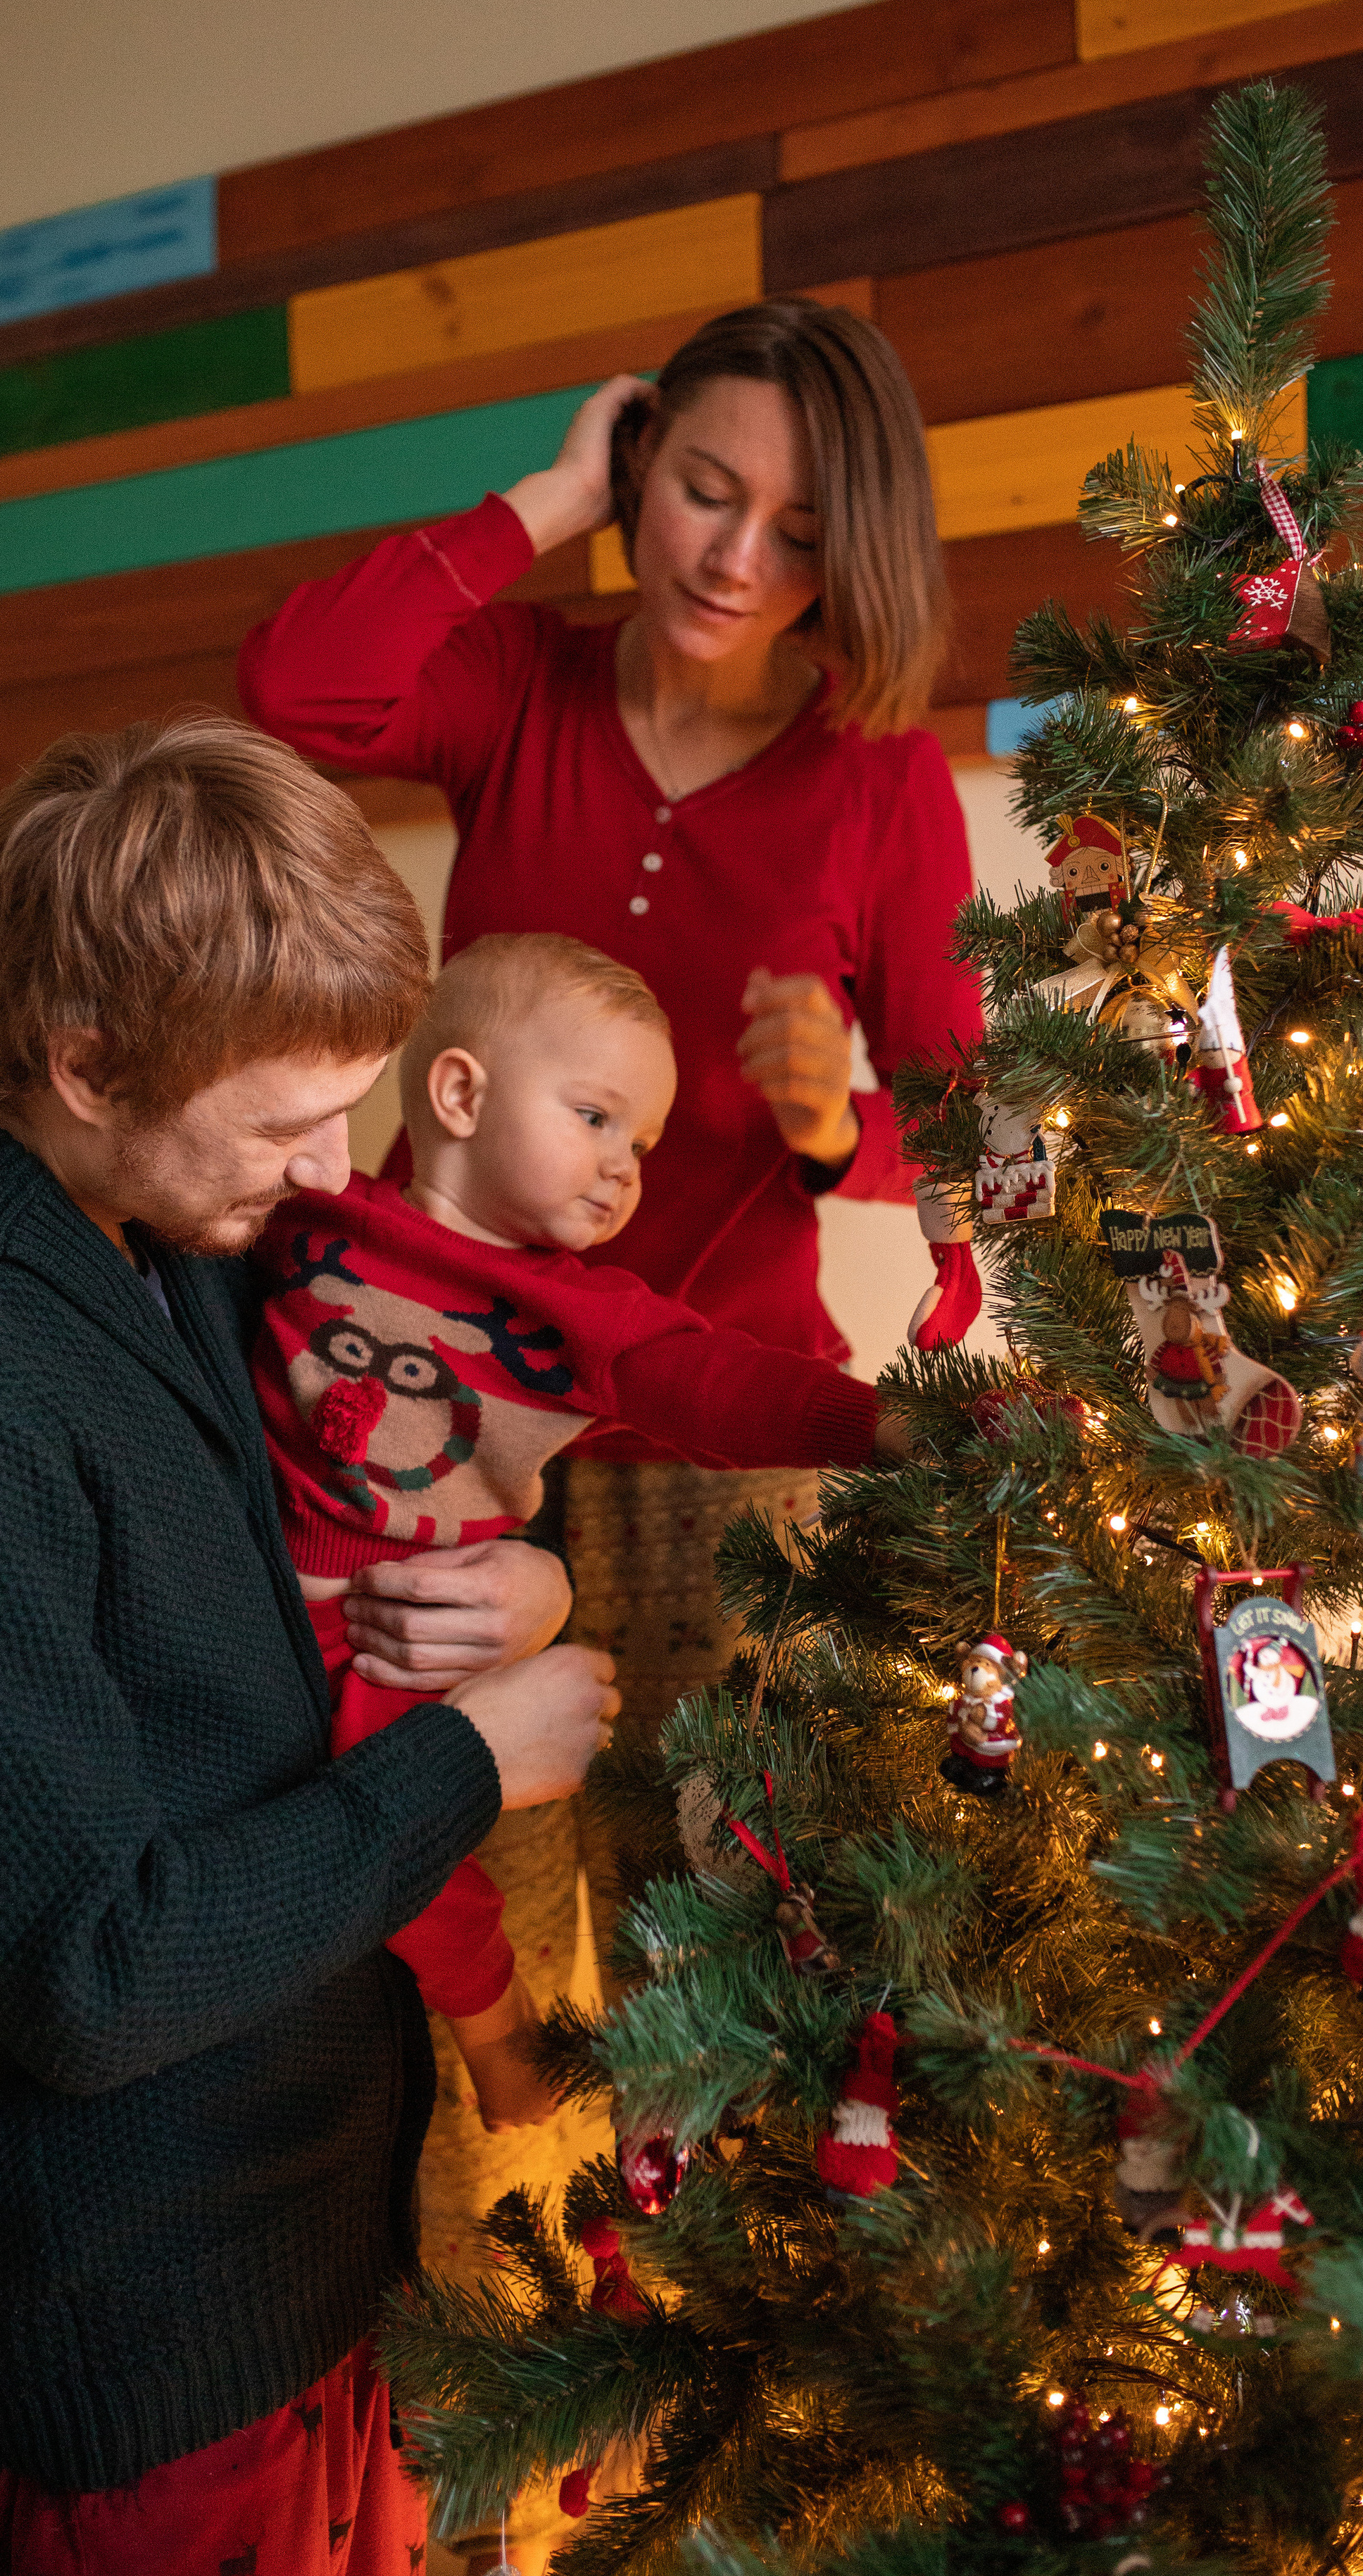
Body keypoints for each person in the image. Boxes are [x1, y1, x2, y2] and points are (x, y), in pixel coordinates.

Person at [241, 297, 981, 2572]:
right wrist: (533, 506)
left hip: (718, 1449)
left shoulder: (879, 781)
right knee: (477, 1950)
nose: (736, 554)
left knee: (733, 1983)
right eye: (695, 488)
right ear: (642, 468)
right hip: (436, 1456)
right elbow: (304, 698)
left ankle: (759, 2497)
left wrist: (834, 1118)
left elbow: (959, 1125)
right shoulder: (536, 683)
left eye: (791, 520)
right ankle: (493, 2489)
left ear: (856, 547)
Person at [0, 720, 616, 2576]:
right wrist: (470, 1766)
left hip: (320, 2218)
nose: (326, 1172)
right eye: (290, 1123)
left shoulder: (153, 1210)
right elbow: (90, 1967)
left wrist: (519, 1586)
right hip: (150, 2295)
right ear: (86, 1056)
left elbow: (349, 1521)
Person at [258, 931, 910, 2128]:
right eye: (598, 1119)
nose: (627, 1172)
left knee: (419, 1850)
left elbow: (727, 1386)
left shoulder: (584, 1316)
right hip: (239, 1602)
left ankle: (502, 2047)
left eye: (644, 1147)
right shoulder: (312, 1214)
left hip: (399, 1632)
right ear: (457, 1093)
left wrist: (892, 1427)